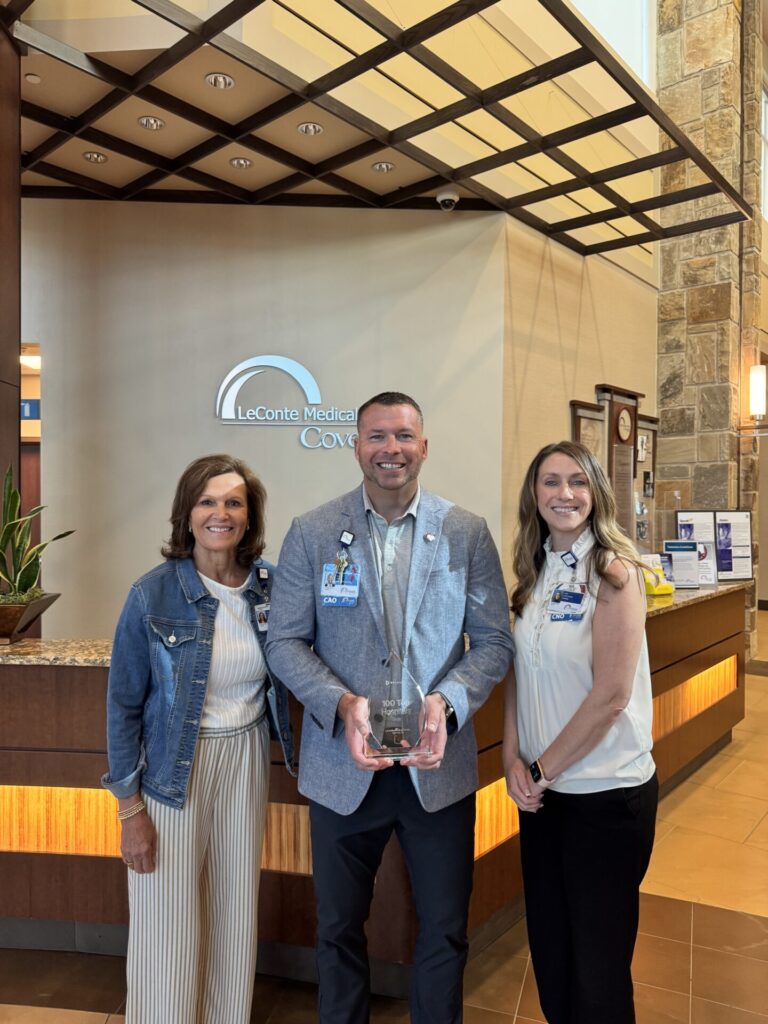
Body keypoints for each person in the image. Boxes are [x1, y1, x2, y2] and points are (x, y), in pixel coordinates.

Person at [266, 391, 514, 1024]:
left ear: (424, 447)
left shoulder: (465, 533)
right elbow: (284, 643)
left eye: (403, 436)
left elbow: (493, 642)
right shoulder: (313, 532)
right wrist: (342, 703)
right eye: (376, 436)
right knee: (337, 930)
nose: (391, 449)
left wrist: (447, 703)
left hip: (437, 768)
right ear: (356, 447)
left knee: (445, 929)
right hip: (342, 769)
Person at [102, 454, 294, 1024]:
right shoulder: (152, 594)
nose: (221, 513)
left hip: (246, 757)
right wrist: (130, 810)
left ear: (249, 516)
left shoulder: (271, 588)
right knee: (168, 922)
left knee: (234, 912)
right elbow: (122, 707)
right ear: (186, 514)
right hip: (173, 770)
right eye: (207, 501)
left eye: (234, 502)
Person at [504, 440, 657, 1024]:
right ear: (534, 494)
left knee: (599, 974)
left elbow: (611, 696)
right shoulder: (533, 571)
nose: (564, 493)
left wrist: (541, 768)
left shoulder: (614, 572)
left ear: (597, 494)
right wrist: (513, 760)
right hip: (543, 799)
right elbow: (519, 673)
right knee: (553, 957)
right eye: (550, 481)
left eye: (577, 482)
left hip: (604, 796)